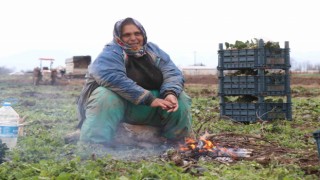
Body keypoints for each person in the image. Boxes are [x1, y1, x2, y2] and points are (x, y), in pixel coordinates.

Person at [76, 17, 192, 146]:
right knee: (105, 95)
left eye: (137, 33)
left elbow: (172, 72)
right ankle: (93, 145)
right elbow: (112, 78)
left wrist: (170, 93)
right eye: (127, 35)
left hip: (150, 109)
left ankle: (175, 142)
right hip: (120, 110)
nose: (133, 38)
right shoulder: (110, 53)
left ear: (143, 34)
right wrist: (149, 99)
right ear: (118, 37)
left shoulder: (154, 51)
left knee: (179, 97)